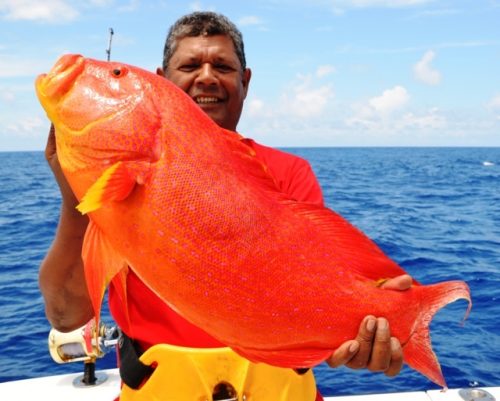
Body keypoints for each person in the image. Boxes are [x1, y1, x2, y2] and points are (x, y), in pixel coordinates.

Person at [40, 11, 412, 400]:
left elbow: (318, 282)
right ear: (161, 81)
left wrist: (362, 329)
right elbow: (66, 316)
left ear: (244, 81)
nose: (206, 76)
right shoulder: (118, 182)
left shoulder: (288, 173)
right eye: (189, 65)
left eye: (222, 66)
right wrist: (78, 199)